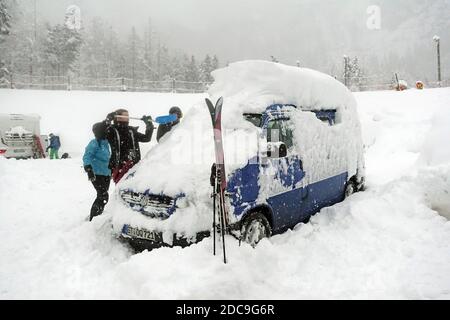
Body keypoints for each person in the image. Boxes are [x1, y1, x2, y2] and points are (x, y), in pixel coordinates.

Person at [104, 108, 154, 184]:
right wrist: (107, 121)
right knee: (122, 187)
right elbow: (98, 131)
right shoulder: (112, 130)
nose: (127, 117)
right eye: (125, 115)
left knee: (134, 187)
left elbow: (146, 138)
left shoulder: (131, 130)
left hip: (133, 164)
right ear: (117, 117)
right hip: (120, 165)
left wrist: (149, 125)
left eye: (128, 115)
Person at [83, 122, 111, 221]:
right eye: (105, 130)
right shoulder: (94, 143)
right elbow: (87, 156)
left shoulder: (107, 143)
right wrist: (88, 169)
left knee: (102, 195)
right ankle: (93, 218)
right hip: (96, 174)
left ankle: (97, 216)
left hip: (107, 174)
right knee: (103, 196)